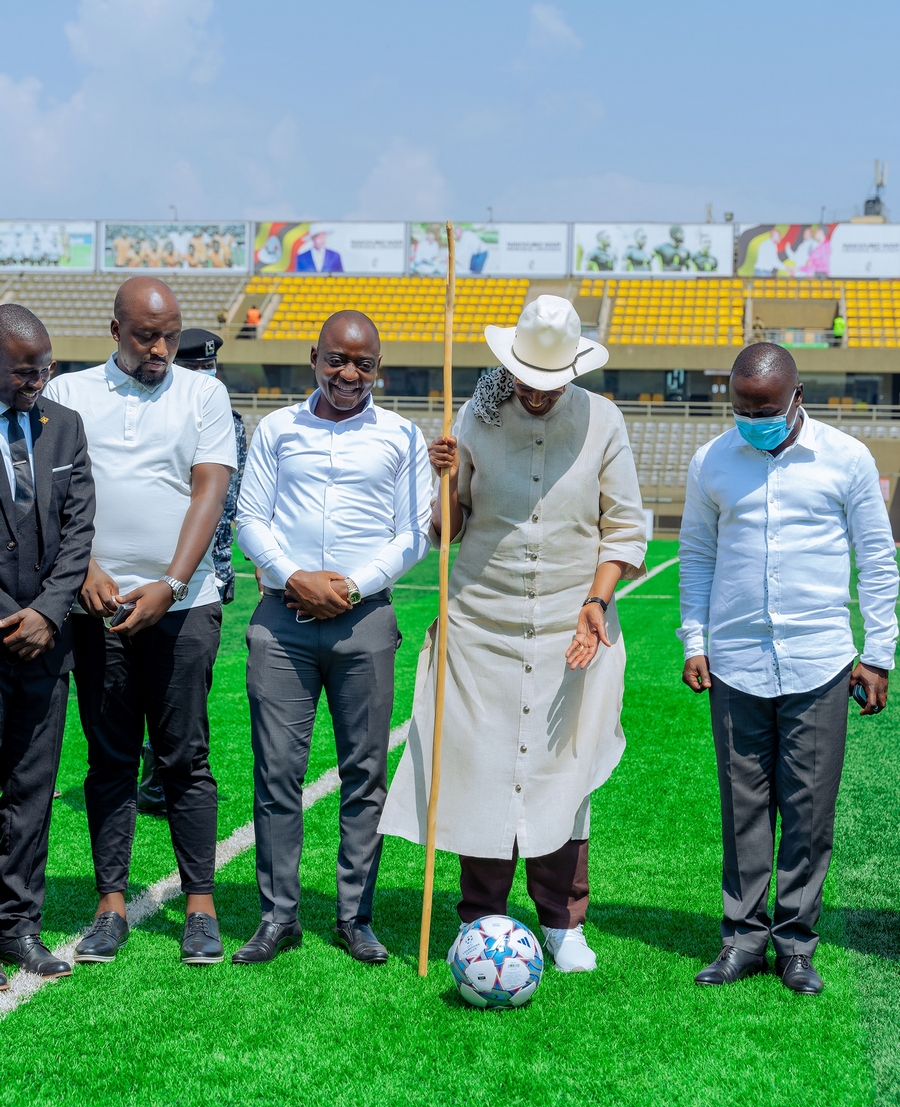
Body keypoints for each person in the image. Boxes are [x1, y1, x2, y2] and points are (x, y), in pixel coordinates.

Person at [380, 295, 647, 972]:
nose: (535, 390)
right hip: (482, 623)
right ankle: (481, 918)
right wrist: (446, 479)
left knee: (564, 772)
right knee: (481, 771)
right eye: (526, 376)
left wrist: (597, 597)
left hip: (573, 624)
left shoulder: (603, 421)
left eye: (550, 380)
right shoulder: (476, 414)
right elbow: (450, 527)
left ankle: (561, 920)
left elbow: (624, 527)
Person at [679, 342, 898, 995]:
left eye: (766, 408)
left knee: (807, 809)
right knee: (743, 806)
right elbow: (696, 554)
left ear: (797, 396)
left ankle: (796, 942)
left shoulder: (847, 458)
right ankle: (742, 938)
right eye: (742, 407)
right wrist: (696, 638)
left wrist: (879, 653)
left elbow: (877, 560)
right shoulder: (712, 460)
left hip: (821, 660)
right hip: (736, 661)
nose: (753, 417)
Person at [43, 278, 237, 966]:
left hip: (184, 606)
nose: (161, 348)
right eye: (146, 335)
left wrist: (173, 582)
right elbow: (56, 493)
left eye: (171, 334)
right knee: (110, 758)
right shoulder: (68, 394)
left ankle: (202, 905)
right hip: (94, 607)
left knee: (185, 756)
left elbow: (209, 487)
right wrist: (85, 569)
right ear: (115, 328)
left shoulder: (203, 393)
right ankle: (110, 903)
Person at [234, 310, 432, 966]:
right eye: (337, 360)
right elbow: (249, 517)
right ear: (314, 356)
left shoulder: (402, 436)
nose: (350, 374)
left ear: (380, 365)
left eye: (364, 363)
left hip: (364, 619)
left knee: (365, 773)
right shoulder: (276, 428)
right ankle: (278, 916)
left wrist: (351, 585)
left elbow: (414, 532)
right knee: (277, 773)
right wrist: (295, 578)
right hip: (282, 621)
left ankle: (355, 916)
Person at [0, 306, 95, 987]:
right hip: (8, 632)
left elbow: (79, 528)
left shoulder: (65, 425)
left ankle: (17, 928)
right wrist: (12, 617)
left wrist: (47, 613)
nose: (39, 380)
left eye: (45, 368)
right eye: (24, 370)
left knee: (32, 794)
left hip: (45, 648)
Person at [137, 328, 248, 818]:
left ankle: (164, 779)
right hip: (158, 567)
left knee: (186, 688)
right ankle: (155, 779)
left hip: (208, 574)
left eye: (210, 368)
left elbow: (228, 501)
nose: (205, 376)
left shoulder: (231, 420)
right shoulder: (160, 411)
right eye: (196, 367)